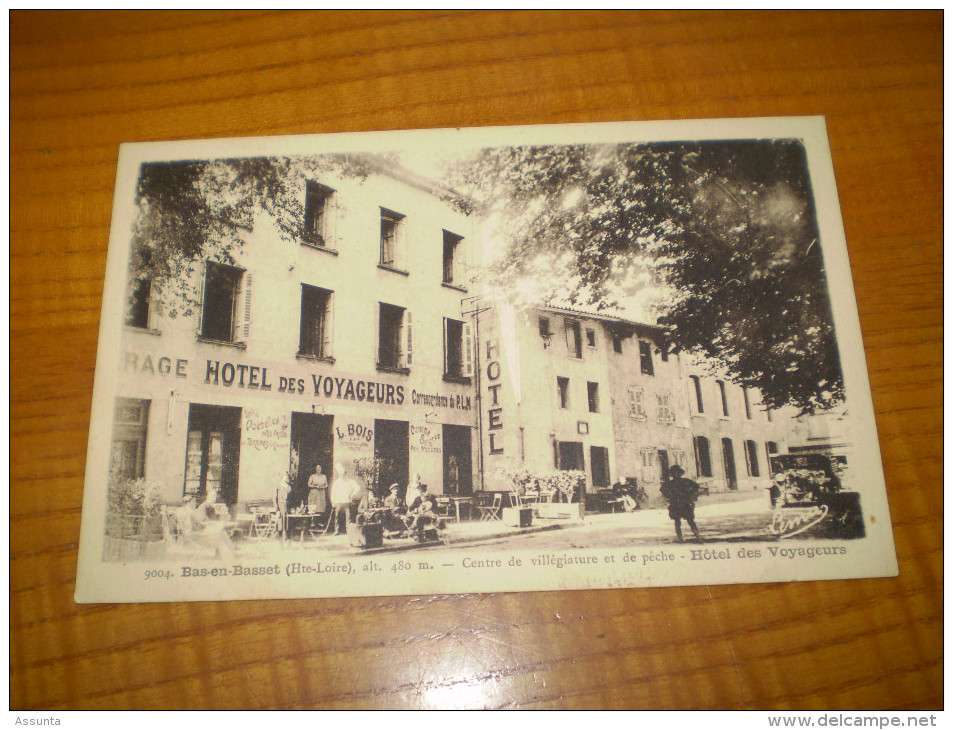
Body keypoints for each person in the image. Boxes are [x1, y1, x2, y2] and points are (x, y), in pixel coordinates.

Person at [660, 464, 703, 543]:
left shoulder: (685, 481)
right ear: (672, 474)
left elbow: (696, 486)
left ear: (680, 473)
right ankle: (680, 538)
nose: (675, 474)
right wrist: (669, 496)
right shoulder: (670, 483)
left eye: (677, 473)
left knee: (690, 520)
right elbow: (662, 489)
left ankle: (698, 536)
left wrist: (691, 493)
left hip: (685, 503)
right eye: (674, 473)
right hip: (675, 504)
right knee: (677, 522)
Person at [329, 463, 363, 535]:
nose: (342, 475)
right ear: (339, 474)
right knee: (337, 517)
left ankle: (348, 530)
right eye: (341, 474)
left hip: (347, 501)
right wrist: (333, 501)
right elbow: (333, 492)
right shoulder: (336, 482)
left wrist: (352, 495)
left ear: (345, 474)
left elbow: (357, 488)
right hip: (338, 501)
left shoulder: (349, 481)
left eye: (343, 473)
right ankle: (337, 530)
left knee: (348, 517)